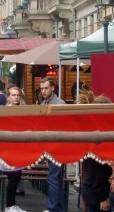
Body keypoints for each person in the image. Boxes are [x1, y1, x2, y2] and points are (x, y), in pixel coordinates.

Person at [77, 91, 112, 212]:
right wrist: (103, 197)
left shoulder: (90, 132)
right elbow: (97, 172)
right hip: (97, 194)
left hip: (91, 191)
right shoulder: (99, 137)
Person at [40, 77, 66, 212]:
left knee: (53, 178)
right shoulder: (44, 102)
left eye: (46, 88)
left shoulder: (59, 104)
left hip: (57, 146)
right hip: (50, 145)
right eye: (42, 88)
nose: (43, 91)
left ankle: (52, 208)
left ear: (52, 88)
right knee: (56, 179)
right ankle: (58, 208)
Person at [1, 86, 27, 212]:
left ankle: (11, 204)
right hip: (8, 149)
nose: (16, 97)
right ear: (8, 97)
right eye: (13, 95)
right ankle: (9, 205)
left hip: (18, 149)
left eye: (18, 95)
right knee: (13, 177)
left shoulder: (22, 110)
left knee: (16, 176)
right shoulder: (5, 111)